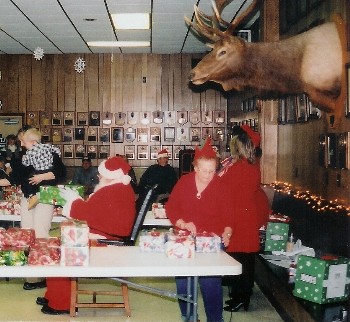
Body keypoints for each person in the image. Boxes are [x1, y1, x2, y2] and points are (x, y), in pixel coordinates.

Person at [37, 156, 136, 315]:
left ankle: (60, 303)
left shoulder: (115, 191)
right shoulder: (118, 189)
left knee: (56, 252)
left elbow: (92, 215)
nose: (98, 176)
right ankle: (54, 295)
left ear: (110, 176)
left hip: (106, 245)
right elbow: (96, 214)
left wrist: (73, 201)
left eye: (101, 174)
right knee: (55, 244)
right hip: (103, 237)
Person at [165, 139, 232, 322]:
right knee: (184, 284)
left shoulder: (221, 185)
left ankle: (215, 319)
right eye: (204, 170)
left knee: (210, 284)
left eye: (212, 171)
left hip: (212, 241)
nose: (208, 175)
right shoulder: (184, 182)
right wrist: (183, 224)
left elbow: (229, 214)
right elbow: (171, 208)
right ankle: (189, 318)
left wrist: (227, 232)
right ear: (195, 168)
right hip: (185, 240)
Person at [218, 125, 270, 313]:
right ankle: (239, 295)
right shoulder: (246, 165)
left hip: (242, 218)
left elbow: (226, 189)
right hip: (242, 215)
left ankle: (243, 298)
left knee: (244, 259)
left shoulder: (243, 167)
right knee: (240, 257)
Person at [13, 126, 65, 290]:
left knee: (41, 232)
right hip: (28, 197)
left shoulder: (50, 151)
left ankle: (46, 274)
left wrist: (43, 176)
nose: (21, 144)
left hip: (44, 196)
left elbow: (61, 173)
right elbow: (16, 176)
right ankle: (32, 277)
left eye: (23, 140)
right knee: (27, 233)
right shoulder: (23, 155)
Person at [21, 128, 62, 209]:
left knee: (26, 183)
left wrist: (24, 159)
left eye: (24, 142)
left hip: (38, 172)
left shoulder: (29, 152)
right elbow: (57, 150)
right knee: (47, 187)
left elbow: (26, 163)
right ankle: (57, 203)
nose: (22, 144)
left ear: (33, 142)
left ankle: (32, 196)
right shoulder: (47, 146)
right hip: (49, 170)